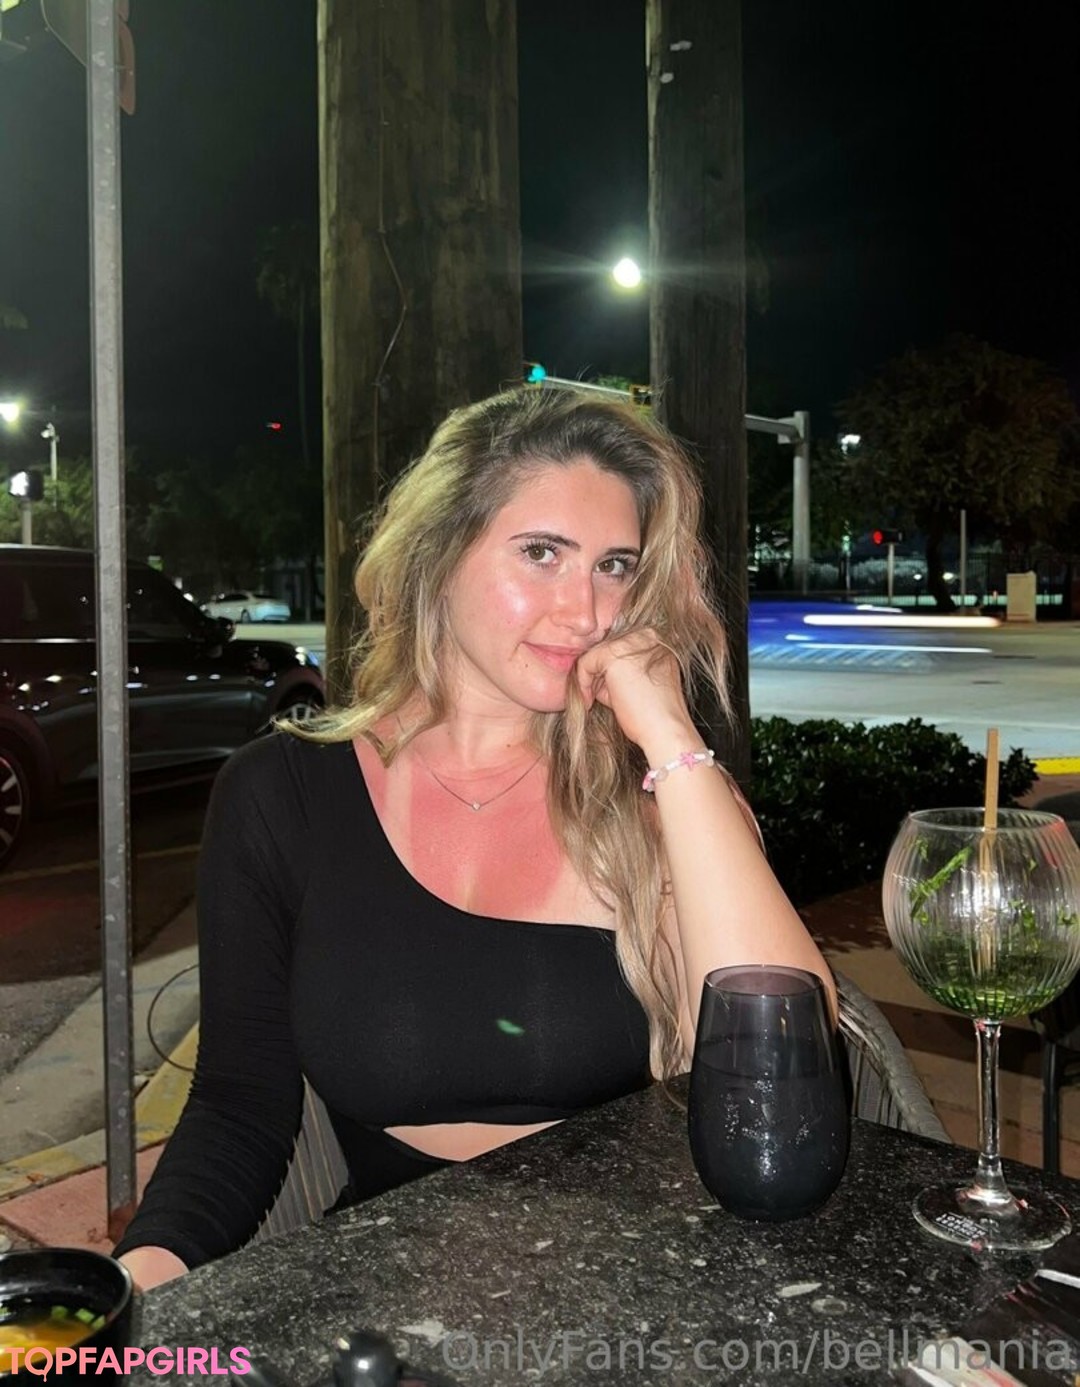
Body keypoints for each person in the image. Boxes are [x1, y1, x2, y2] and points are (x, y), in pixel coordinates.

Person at [115, 386, 834, 1291]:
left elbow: (789, 1070)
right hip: (389, 1294)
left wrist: (671, 738)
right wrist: (127, 1291)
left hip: (650, 1282)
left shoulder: (657, 793)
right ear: (438, 551)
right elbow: (239, 1104)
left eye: (615, 566)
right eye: (542, 553)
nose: (588, 611)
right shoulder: (281, 792)